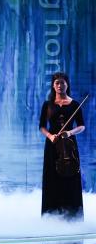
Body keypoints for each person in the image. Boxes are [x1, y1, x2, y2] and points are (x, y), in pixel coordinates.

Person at [40, 72, 85, 219]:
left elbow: (82, 126)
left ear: (67, 84)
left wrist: (70, 132)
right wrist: (50, 136)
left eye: (63, 82)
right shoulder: (47, 105)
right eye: (57, 83)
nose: (60, 85)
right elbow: (42, 126)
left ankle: (72, 215)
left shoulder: (75, 104)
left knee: (71, 178)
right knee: (51, 178)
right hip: (52, 146)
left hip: (69, 146)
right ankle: (51, 215)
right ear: (53, 86)